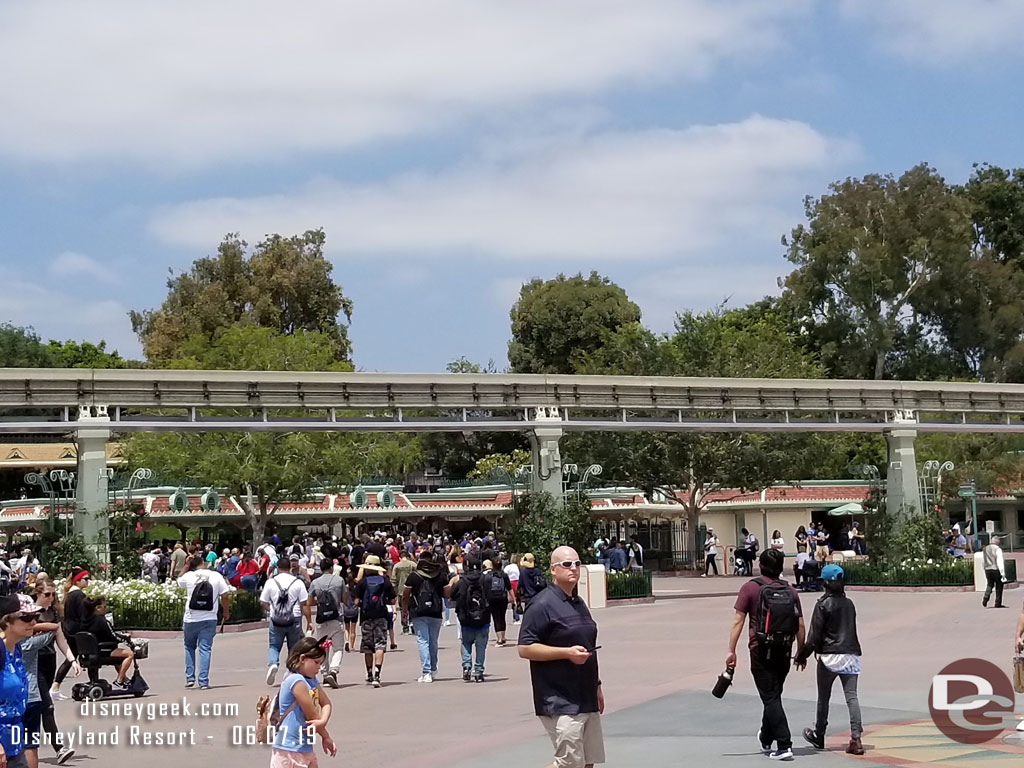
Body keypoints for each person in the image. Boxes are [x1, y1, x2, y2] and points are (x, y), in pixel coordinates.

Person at [518, 546, 605, 768]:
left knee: (587, 762)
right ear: (553, 570)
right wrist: (566, 653)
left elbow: (589, 647)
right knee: (568, 764)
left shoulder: (579, 603)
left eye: (577, 564)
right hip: (559, 699)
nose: (573, 569)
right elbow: (525, 648)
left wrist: (597, 686)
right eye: (566, 564)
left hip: (585, 695)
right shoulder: (542, 604)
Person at [726, 548, 806, 761]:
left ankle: (784, 744)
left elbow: (738, 621)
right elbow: (799, 623)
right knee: (773, 694)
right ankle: (766, 735)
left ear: (759, 565)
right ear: (780, 568)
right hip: (785, 649)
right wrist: (801, 650)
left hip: (760, 649)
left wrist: (731, 650)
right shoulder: (790, 590)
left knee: (770, 696)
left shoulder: (750, 588)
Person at [795, 564, 864, 756]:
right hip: (850, 655)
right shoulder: (849, 603)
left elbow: (814, 637)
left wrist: (801, 656)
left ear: (825, 583)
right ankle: (856, 738)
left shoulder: (822, 604)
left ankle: (819, 734)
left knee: (823, 697)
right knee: (852, 697)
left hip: (829, 656)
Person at [28, 580, 77, 765]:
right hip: (34, 662)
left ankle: (20, 747)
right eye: (47, 594)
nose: (50, 598)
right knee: (47, 705)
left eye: (52, 594)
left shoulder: (53, 612)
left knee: (39, 706)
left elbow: (60, 638)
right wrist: (47, 627)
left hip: (49, 661)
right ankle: (59, 748)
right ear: (38, 594)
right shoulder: (30, 613)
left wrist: (72, 660)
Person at [269, 636, 337, 768]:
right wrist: (325, 735)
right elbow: (311, 714)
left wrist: (322, 722)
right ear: (302, 659)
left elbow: (327, 703)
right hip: (288, 749)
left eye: (321, 663)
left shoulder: (311, 680)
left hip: (305, 747)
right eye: (316, 663)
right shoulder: (295, 681)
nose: (319, 668)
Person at [178, 554, 231, 689]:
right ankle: (203, 681)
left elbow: (178, 580)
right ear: (202, 562)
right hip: (209, 618)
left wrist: (185, 565)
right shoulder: (216, 576)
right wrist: (226, 612)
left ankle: (190, 678)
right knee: (205, 649)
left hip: (190, 618)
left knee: (189, 647)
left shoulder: (189, 576)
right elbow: (225, 595)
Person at [261, 555, 311, 686]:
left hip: (276, 618)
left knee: (273, 645)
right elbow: (304, 602)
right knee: (293, 647)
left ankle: (273, 664)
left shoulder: (271, 582)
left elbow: (263, 601)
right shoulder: (297, 582)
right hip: (294, 617)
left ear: (277, 568)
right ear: (290, 568)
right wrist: (307, 619)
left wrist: (272, 609)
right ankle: (290, 672)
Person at [403, 550, 452, 683]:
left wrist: (404, 611)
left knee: (422, 641)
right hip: (435, 612)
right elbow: (447, 594)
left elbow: (405, 595)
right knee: (433, 641)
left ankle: (426, 672)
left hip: (418, 612)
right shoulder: (441, 576)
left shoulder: (414, 576)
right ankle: (433, 668)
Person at [0, 592, 35, 768]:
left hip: (14, 743)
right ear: (7, 621)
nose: (33, 622)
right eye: (27, 617)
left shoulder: (16, 649)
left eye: (35, 616)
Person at [353, 555, 394, 688]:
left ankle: (369, 673)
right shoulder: (385, 581)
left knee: (368, 646)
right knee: (380, 644)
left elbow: (356, 601)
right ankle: (377, 674)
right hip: (381, 616)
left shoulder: (362, 582)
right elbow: (393, 600)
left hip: (366, 617)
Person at [51, 567, 90, 701]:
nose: (87, 581)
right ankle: (55, 687)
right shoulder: (79, 595)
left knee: (72, 657)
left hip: (69, 629)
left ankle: (56, 686)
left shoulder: (70, 594)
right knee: (87, 655)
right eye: (85, 579)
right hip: (76, 631)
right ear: (77, 581)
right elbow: (83, 615)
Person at [450, 555, 490, 682]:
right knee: (481, 645)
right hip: (483, 618)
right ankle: (478, 672)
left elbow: (451, 595)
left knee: (466, 643)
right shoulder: (486, 579)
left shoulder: (462, 581)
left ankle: (467, 667)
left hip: (466, 618)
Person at [307, 558, 346, 688]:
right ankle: (334, 671)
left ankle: (324, 674)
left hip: (321, 619)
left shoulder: (315, 582)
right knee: (338, 648)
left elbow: (309, 601)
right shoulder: (339, 580)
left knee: (323, 647)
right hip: (336, 618)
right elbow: (344, 599)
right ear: (331, 568)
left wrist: (319, 602)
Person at [81, 597, 135, 689]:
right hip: (103, 651)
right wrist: (125, 638)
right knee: (129, 654)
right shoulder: (102, 621)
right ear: (97, 608)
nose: (105, 609)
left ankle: (125, 679)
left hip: (88, 652)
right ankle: (119, 680)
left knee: (119, 656)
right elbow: (113, 636)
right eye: (104, 607)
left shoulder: (84, 621)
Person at [484, 558, 514, 646]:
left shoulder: (488, 576)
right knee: (502, 617)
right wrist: (514, 599)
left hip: (492, 598)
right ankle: (503, 636)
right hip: (503, 598)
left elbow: (485, 588)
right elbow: (509, 588)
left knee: (496, 617)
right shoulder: (504, 575)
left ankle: (499, 638)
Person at [390, 550, 416, 635]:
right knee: (412, 608)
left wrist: (393, 592)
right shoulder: (413, 565)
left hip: (401, 590)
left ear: (400, 557)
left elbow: (394, 579)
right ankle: (413, 625)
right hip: (413, 590)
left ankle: (405, 628)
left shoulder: (397, 566)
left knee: (403, 609)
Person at [982, 536, 1007, 608]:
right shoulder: (997, 549)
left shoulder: (985, 549)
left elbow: (983, 561)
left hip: (987, 569)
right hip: (996, 569)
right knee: (999, 586)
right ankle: (997, 603)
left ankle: (986, 597)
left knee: (990, 584)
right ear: (997, 542)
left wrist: (984, 568)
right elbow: (1000, 561)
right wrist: (1002, 573)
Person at [505, 556, 522, 623]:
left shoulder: (508, 567)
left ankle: (516, 617)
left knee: (513, 600)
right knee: (516, 600)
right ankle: (515, 616)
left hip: (511, 583)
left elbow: (504, 574)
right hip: (517, 583)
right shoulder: (517, 567)